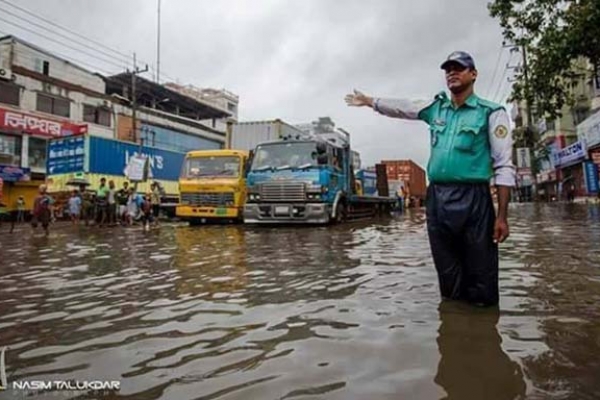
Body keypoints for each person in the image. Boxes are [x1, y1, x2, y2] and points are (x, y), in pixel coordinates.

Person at [345, 51, 515, 306]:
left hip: (474, 200)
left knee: (481, 275)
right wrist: (370, 101)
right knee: (447, 273)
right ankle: (454, 327)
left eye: (459, 68)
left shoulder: (491, 113)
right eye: (448, 69)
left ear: (473, 74)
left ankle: (483, 330)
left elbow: (504, 166)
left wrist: (501, 216)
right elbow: (403, 106)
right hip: (438, 199)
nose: (452, 73)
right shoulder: (435, 108)